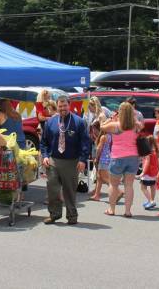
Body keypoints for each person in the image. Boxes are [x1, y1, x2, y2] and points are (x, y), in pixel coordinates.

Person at [40, 95, 90, 225]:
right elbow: (44, 142)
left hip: (72, 161)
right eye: (60, 106)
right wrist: (45, 156)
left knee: (69, 191)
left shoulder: (78, 122)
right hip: (53, 161)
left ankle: (72, 216)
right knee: (53, 189)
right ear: (57, 106)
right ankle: (54, 214)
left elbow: (85, 142)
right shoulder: (50, 122)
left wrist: (83, 160)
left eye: (65, 105)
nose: (62, 108)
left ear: (69, 105)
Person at [101, 102, 140, 218]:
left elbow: (102, 127)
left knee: (113, 185)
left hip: (117, 157)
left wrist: (109, 119)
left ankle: (111, 209)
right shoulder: (136, 125)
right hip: (133, 156)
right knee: (129, 185)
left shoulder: (115, 125)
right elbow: (139, 125)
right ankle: (127, 211)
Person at [91, 121, 112, 201]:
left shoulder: (103, 137)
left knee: (105, 178)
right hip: (107, 158)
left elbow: (99, 149)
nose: (94, 131)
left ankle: (117, 192)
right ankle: (97, 195)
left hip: (102, 159)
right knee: (99, 177)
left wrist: (96, 158)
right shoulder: (109, 135)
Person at [138, 136, 159, 210]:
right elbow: (158, 162)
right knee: (152, 186)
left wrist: (143, 172)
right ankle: (151, 200)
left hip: (148, 172)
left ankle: (151, 201)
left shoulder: (148, 152)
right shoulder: (155, 151)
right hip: (154, 172)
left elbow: (147, 162)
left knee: (143, 187)